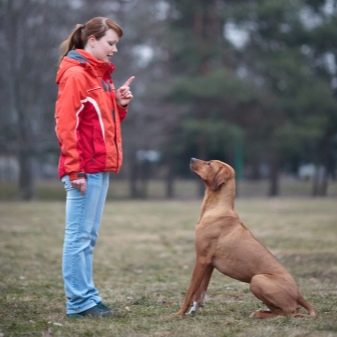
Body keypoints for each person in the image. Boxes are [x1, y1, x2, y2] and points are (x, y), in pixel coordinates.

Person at [55, 17, 134, 318]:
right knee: (78, 238)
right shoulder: (76, 75)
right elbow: (65, 125)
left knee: (88, 238)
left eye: (116, 44)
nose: (114, 50)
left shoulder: (100, 77)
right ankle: (79, 303)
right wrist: (74, 170)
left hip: (98, 167)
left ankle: (87, 298)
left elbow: (100, 124)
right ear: (92, 41)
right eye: (110, 43)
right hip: (83, 170)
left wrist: (119, 104)